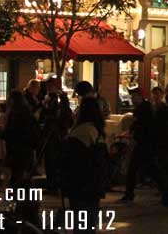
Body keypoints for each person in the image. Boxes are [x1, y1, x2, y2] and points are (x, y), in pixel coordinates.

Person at [61, 98, 108, 234]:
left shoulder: (80, 133)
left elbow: (71, 160)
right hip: (94, 183)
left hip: (81, 183)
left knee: (82, 221)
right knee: (89, 220)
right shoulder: (96, 131)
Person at [121, 88, 156, 202]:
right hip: (144, 142)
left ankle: (129, 193)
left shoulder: (143, 109)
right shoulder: (143, 108)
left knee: (136, 168)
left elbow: (142, 126)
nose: (132, 99)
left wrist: (134, 134)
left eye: (134, 96)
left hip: (143, 142)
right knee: (147, 168)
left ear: (139, 96)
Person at [2, 91, 40, 190]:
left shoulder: (16, 113)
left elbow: (13, 132)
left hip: (18, 148)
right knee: (20, 174)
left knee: (16, 173)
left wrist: (0, 133)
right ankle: (21, 196)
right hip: (25, 148)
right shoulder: (26, 112)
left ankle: (17, 196)